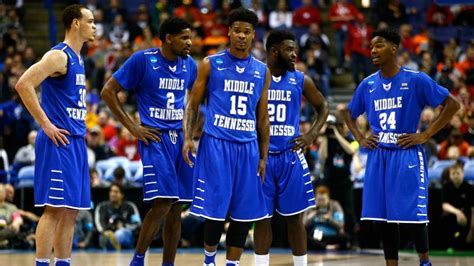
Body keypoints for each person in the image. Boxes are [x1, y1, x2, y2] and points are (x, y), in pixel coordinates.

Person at [341, 28, 460, 266]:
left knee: (412, 215)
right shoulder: (368, 84)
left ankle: (425, 262)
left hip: (406, 153)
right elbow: (346, 112)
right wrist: (361, 139)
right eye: (371, 46)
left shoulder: (415, 79)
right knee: (382, 218)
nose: (373, 50)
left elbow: (452, 104)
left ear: (394, 49)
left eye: (379, 45)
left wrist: (425, 134)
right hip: (378, 155)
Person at [101, 18, 196, 266]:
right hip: (154, 138)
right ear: (168, 38)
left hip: (180, 140)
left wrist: (189, 136)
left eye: (190, 37)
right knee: (164, 202)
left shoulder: (190, 65)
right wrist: (132, 127)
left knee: (177, 207)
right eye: (184, 37)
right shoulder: (143, 60)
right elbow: (107, 92)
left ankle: (168, 263)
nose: (190, 42)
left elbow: (192, 105)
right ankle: (138, 259)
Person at [182, 7, 271, 266]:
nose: (241, 36)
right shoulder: (211, 64)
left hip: (248, 148)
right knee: (215, 211)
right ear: (229, 32)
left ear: (253, 35)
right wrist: (188, 137)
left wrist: (263, 156)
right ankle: (209, 260)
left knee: (244, 214)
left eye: (246, 32)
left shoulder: (261, 71)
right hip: (216, 145)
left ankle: (232, 263)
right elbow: (193, 105)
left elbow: (263, 117)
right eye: (237, 31)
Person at [14, 5, 95, 266]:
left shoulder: (80, 59)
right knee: (54, 209)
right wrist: (46, 124)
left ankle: (63, 263)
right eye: (90, 21)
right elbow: (23, 84)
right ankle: (40, 263)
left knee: (71, 211)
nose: (94, 26)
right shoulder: (59, 56)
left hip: (77, 142)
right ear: (75, 24)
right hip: (57, 141)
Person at [252, 30, 329, 266]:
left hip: (290, 157)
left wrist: (311, 135)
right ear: (274, 51)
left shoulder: (300, 79)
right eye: (289, 49)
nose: (295, 54)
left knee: (295, 218)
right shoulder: (255, 76)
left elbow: (323, 106)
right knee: (261, 218)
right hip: (261, 157)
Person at [95, 183, 141, 250]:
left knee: (121, 233)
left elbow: (137, 223)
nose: (112, 194)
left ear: (122, 195)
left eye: (116, 192)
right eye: (111, 191)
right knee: (104, 237)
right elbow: (99, 223)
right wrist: (105, 231)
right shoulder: (102, 207)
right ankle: (111, 242)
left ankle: (114, 242)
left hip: (125, 233)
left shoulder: (130, 206)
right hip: (107, 233)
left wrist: (124, 226)